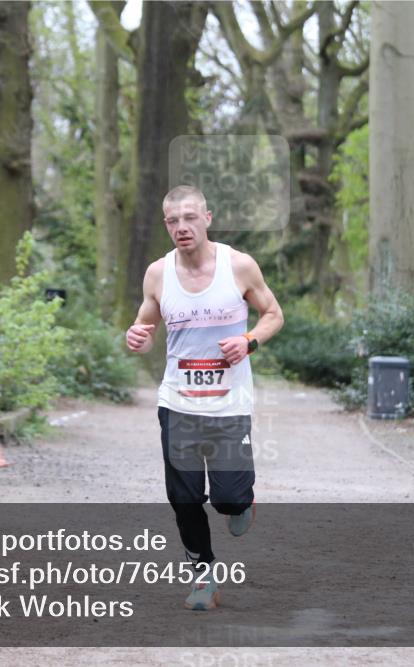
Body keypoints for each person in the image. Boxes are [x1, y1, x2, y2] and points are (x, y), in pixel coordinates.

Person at [125, 185, 284, 610]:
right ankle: (204, 577)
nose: (182, 227)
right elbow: (145, 323)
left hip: (229, 404)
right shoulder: (158, 274)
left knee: (228, 498)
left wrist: (249, 341)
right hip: (178, 402)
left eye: (190, 217)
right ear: (166, 225)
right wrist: (136, 335)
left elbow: (274, 314)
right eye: (173, 220)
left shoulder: (239, 266)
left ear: (207, 218)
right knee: (183, 497)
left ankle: (241, 503)